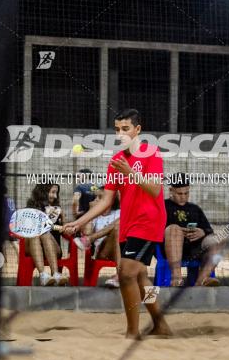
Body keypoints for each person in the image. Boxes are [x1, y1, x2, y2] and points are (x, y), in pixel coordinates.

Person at [63, 108, 172, 339]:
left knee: (125, 274)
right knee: (140, 276)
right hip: (128, 222)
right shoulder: (115, 160)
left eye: (125, 129)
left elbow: (154, 189)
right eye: (117, 129)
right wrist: (78, 222)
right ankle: (161, 325)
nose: (120, 133)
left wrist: (131, 172)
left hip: (149, 220)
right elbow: (106, 201)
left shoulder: (151, 153)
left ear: (137, 129)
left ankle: (132, 332)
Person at [163, 176, 222, 286]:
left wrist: (202, 232)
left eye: (186, 193)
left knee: (217, 240)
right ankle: (177, 278)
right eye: (180, 194)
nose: (183, 197)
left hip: (194, 249)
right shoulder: (163, 206)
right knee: (174, 229)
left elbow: (209, 230)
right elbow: (155, 229)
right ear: (171, 190)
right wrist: (179, 231)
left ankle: (202, 280)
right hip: (170, 249)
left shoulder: (194, 208)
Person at [75, 186, 121, 288]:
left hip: (120, 251)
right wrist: (92, 210)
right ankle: (119, 276)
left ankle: (119, 275)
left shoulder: (118, 213)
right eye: (95, 197)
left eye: (100, 198)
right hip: (103, 252)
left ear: (111, 200)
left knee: (119, 224)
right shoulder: (95, 217)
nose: (96, 200)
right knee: (118, 226)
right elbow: (87, 232)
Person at [24, 184, 67, 286]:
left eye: (56, 193)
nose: (55, 196)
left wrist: (62, 227)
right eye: (52, 192)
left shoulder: (58, 210)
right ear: (43, 192)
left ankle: (56, 274)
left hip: (53, 248)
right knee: (36, 233)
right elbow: (25, 228)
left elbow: (66, 229)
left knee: (44, 232)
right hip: (31, 246)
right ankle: (43, 276)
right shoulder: (31, 207)